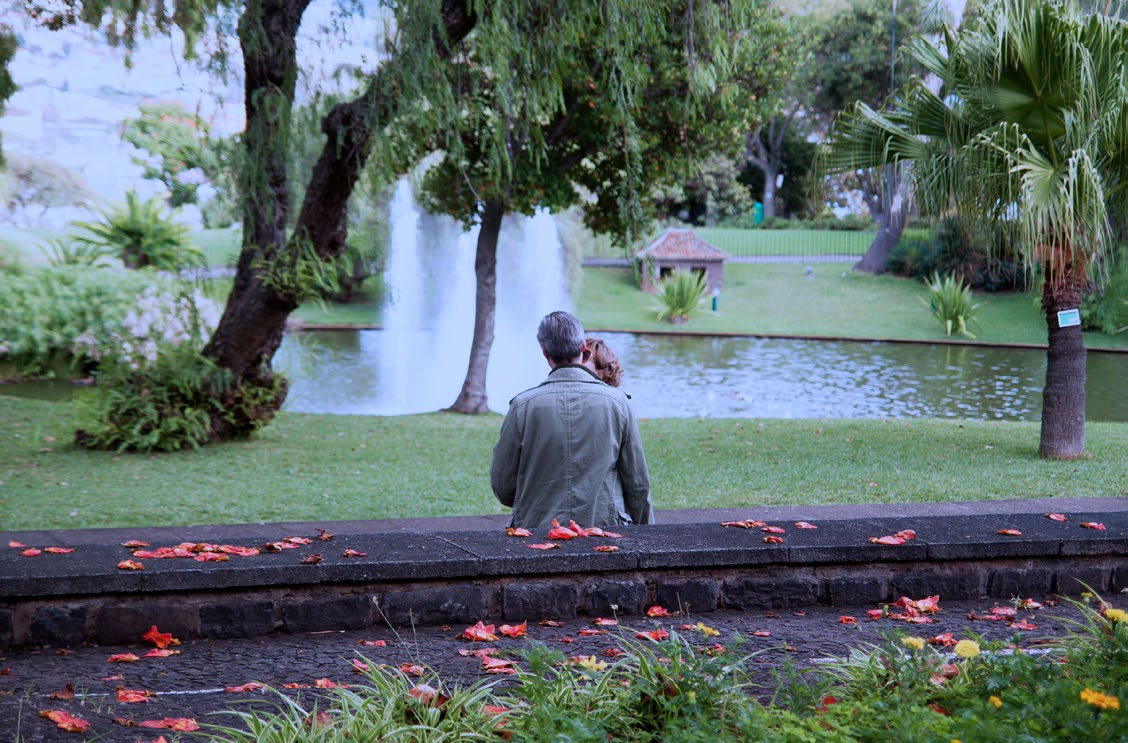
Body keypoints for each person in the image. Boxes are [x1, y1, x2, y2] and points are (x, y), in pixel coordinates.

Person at [490, 311, 653, 529]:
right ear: (583, 348)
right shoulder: (617, 403)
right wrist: (646, 533)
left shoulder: (523, 406)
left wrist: (534, 502)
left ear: (545, 352)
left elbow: (503, 484)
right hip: (604, 529)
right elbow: (637, 483)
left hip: (538, 528)